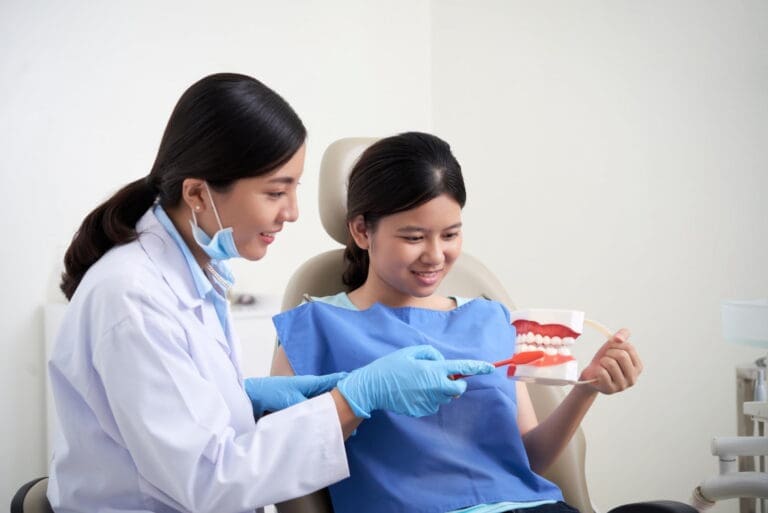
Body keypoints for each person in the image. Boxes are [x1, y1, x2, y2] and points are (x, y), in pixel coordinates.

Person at [48, 76, 494, 513]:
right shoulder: (133, 298)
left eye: (294, 189)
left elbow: (180, 405)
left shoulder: (191, 273)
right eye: (275, 192)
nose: (293, 212)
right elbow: (210, 482)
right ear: (199, 194)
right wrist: (354, 398)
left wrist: (244, 397)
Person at [272, 131, 644, 513]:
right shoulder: (312, 329)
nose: (436, 255)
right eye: (414, 237)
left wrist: (586, 388)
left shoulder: (490, 317)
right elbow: (281, 460)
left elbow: (527, 461)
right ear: (362, 230)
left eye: (450, 234)